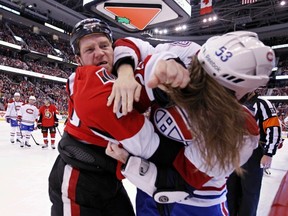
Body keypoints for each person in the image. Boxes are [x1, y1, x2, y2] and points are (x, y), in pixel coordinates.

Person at [105, 31, 276, 215]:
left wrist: (129, 161)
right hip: (150, 193)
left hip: (197, 203)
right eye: (199, 69)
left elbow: (177, 183)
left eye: (212, 83)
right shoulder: (185, 52)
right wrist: (126, 73)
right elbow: (129, 43)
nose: (199, 83)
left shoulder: (241, 131)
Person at [48, 18, 190, 216]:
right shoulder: (94, 94)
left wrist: (125, 70)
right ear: (79, 60)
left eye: (104, 45)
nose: (99, 53)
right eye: (89, 50)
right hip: (78, 181)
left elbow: (131, 44)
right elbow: (148, 146)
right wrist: (189, 164)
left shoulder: (109, 70)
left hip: (108, 177)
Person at [226, 91, 281, 216]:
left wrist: (268, 153)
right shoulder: (229, 103)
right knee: (230, 190)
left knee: (250, 192)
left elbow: (274, 128)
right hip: (231, 153)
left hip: (253, 153)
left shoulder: (263, 104)